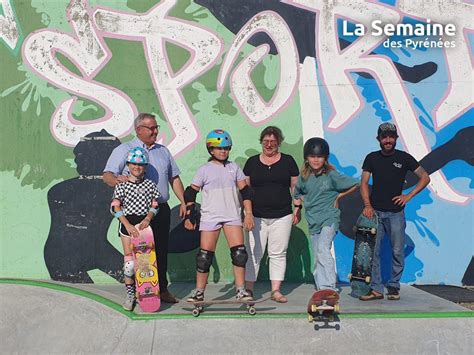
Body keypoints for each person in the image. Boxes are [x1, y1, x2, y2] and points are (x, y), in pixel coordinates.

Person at [103, 113, 186, 303]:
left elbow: (174, 178)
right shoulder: (124, 149)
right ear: (139, 130)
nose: (156, 131)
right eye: (151, 128)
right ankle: (141, 292)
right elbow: (107, 175)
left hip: (159, 210)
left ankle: (162, 290)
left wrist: (183, 201)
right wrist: (117, 180)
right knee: (137, 256)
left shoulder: (163, 151)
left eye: (156, 127)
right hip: (133, 214)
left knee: (161, 250)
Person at [359, 122, 430, 301]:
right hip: (375, 213)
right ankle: (375, 289)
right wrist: (367, 205)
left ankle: (393, 286)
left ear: (396, 139)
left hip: (396, 213)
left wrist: (409, 196)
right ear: (379, 139)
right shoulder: (371, 158)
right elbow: (364, 183)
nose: (388, 140)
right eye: (384, 137)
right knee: (373, 251)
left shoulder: (404, 158)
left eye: (391, 136)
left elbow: (425, 177)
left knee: (397, 250)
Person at [183, 129, 254, 302]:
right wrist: (189, 216)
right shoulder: (204, 170)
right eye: (219, 148)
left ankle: (241, 290)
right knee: (204, 257)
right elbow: (190, 193)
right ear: (211, 149)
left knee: (239, 254)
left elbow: (246, 191)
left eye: (226, 148)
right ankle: (199, 292)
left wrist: (249, 214)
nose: (223, 151)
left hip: (232, 216)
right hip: (210, 217)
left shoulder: (234, 167)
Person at [243, 126, 299, 303]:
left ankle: (275, 291)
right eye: (265, 141)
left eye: (273, 142)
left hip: (282, 215)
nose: (269, 145)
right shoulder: (251, 162)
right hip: (256, 216)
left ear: (279, 143)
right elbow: (245, 190)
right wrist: (247, 214)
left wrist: (297, 208)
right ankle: (249, 290)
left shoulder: (288, 161)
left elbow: (296, 187)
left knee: (278, 253)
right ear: (261, 142)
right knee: (253, 252)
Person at [294, 137, 359, 292]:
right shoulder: (304, 177)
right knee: (317, 255)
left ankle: (329, 287)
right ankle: (321, 289)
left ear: (325, 158)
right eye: (312, 156)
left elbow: (355, 183)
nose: (316, 160)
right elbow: (297, 193)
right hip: (313, 219)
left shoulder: (331, 175)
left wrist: (339, 196)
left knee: (323, 248)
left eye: (319, 157)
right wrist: (297, 209)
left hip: (330, 217)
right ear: (306, 158)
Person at [110, 147, 161, 310]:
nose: (136, 167)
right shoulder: (122, 185)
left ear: (145, 167)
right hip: (127, 225)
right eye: (133, 164)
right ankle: (130, 295)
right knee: (130, 264)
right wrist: (127, 224)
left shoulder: (150, 185)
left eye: (140, 165)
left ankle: (145, 292)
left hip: (144, 227)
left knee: (144, 262)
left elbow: (155, 205)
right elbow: (115, 207)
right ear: (128, 165)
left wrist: (148, 218)